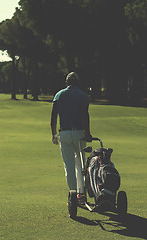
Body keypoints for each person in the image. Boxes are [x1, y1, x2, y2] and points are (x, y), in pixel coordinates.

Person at [50, 72, 92, 213]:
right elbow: (85, 115)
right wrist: (88, 133)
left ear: (66, 82)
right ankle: (81, 194)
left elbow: (53, 116)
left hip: (64, 133)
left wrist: (53, 134)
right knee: (80, 165)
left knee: (69, 166)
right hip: (79, 133)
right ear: (78, 82)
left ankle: (73, 193)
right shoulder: (82, 95)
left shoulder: (59, 95)